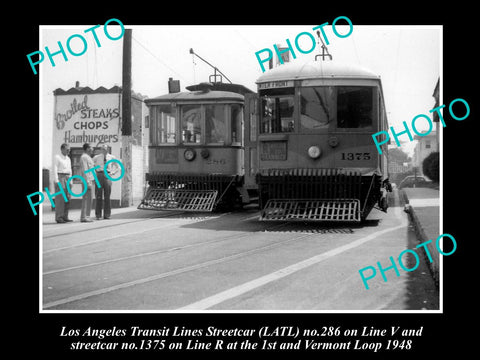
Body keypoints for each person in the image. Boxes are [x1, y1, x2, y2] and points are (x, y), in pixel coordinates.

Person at [93, 144, 120, 220]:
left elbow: (118, 167)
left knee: (107, 196)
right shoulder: (96, 157)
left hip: (108, 175)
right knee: (98, 195)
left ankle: (107, 214)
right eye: (102, 149)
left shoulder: (112, 157)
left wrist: (112, 173)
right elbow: (90, 165)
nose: (104, 150)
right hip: (99, 175)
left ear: (107, 149)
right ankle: (98, 215)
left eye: (105, 149)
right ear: (101, 149)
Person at [53, 143, 72, 223]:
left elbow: (70, 170)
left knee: (67, 197)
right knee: (60, 198)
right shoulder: (57, 157)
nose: (69, 151)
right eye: (67, 149)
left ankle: (65, 216)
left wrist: (71, 180)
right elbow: (55, 168)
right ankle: (59, 217)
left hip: (68, 177)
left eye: (69, 149)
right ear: (62, 149)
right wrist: (56, 180)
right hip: (60, 176)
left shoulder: (68, 158)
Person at [79, 143, 94, 222]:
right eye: (91, 147)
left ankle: (87, 216)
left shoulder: (88, 157)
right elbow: (85, 170)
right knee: (86, 199)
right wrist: (87, 182)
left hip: (89, 180)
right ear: (87, 148)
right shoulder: (84, 157)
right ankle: (84, 217)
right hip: (86, 181)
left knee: (89, 199)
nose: (92, 149)